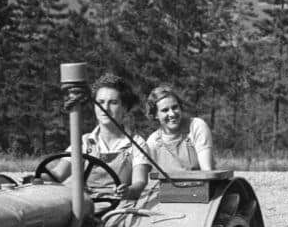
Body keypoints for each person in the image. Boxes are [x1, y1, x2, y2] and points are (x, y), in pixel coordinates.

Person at [47, 73, 151, 201]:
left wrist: (128, 191)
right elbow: (58, 174)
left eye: (113, 103)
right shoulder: (84, 142)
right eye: (101, 102)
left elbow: (139, 182)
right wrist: (35, 178)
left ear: (124, 108)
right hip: (86, 206)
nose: (105, 108)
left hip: (121, 207)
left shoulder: (137, 143)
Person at [145, 85, 214, 172]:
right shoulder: (152, 142)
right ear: (155, 115)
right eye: (165, 110)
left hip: (201, 184)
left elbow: (207, 171)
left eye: (175, 107)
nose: (172, 114)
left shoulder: (196, 126)